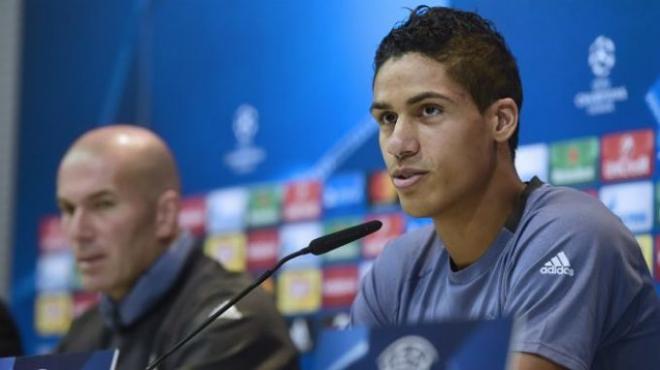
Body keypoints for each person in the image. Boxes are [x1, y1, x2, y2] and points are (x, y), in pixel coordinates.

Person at [351, 5, 660, 370]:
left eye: (429, 111)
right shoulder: (397, 269)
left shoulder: (571, 234)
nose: (398, 143)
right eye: (388, 118)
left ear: (501, 120)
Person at [56, 125, 298, 369]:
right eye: (68, 209)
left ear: (165, 215)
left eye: (103, 205)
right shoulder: (84, 332)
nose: (78, 232)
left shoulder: (231, 322)